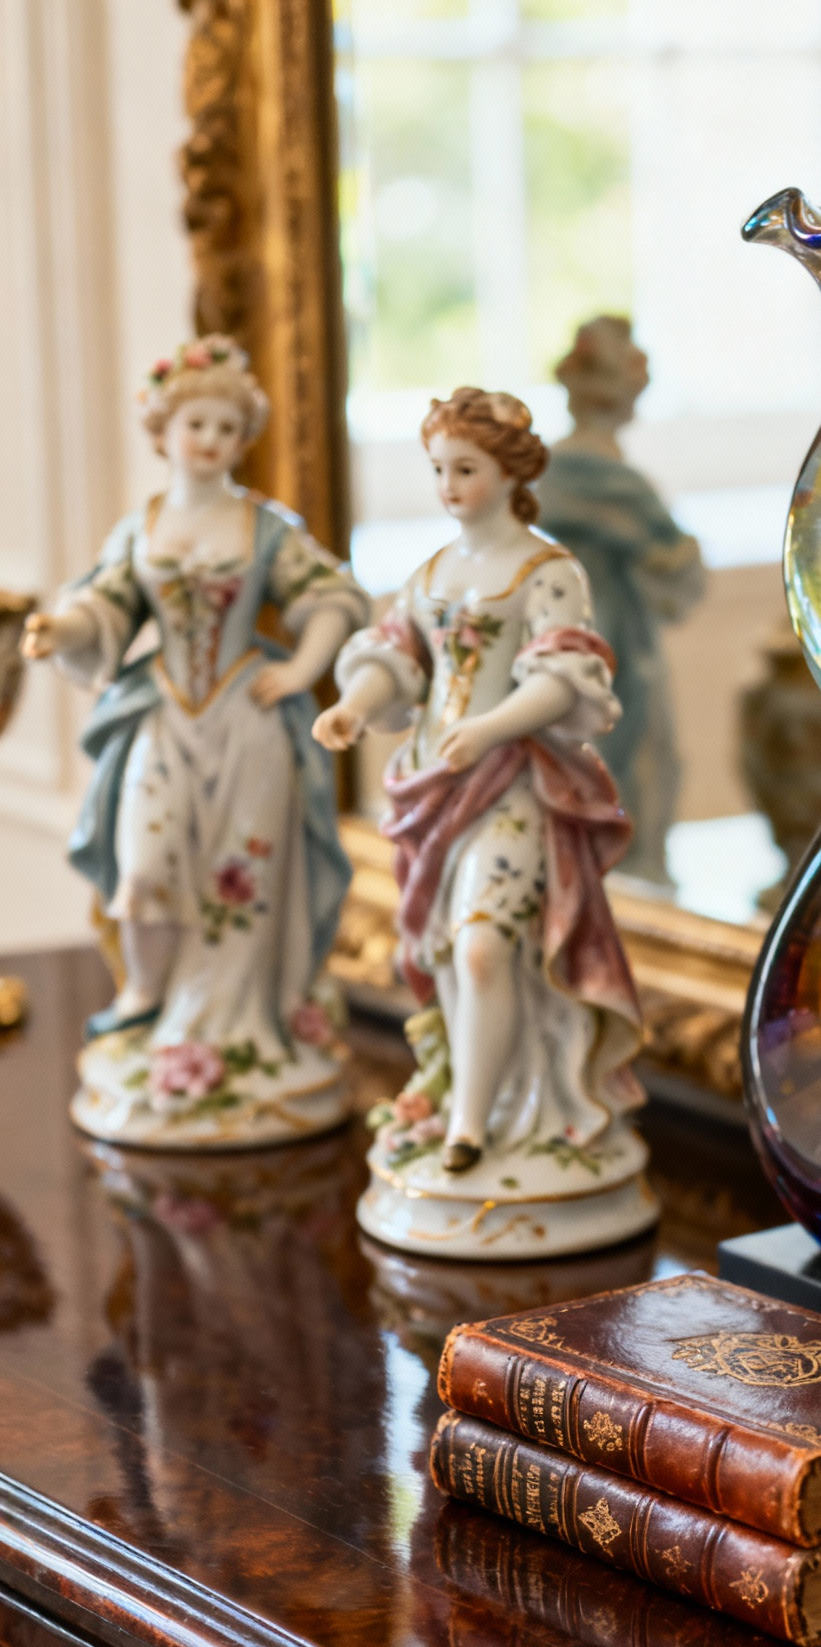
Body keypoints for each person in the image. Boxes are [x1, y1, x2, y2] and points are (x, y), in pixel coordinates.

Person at [316, 387, 653, 1257]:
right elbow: (394, 655)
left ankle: (471, 1123)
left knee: (482, 945)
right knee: (445, 951)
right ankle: (484, 1104)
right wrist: (355, 706)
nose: (448, 485)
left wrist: (492, 725)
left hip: (514, 788)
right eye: (438, 469)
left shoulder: (546, 572)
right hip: (437, 790)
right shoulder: (431, 572)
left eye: (464, 469)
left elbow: (564, 677)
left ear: (509, 472)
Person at [22, 336, 367, 1144]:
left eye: (223, 426)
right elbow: (103, 607)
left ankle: (243, 1023)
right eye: (194, 424)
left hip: (248, 717)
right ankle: (148, 996)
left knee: (241, 871)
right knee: (143, 866)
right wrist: (56, 624)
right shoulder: (141, 526)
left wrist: (303, 670)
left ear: (241, 437)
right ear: (163, 431)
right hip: (165, 713)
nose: (208, 439)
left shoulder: (264, 527)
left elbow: (334, 598)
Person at [537, 317, 704, 886]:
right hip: (615, 644)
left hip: (556, 641)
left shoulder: (545, 476)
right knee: (628, 762)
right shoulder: (618, 484)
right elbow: (677, 571)